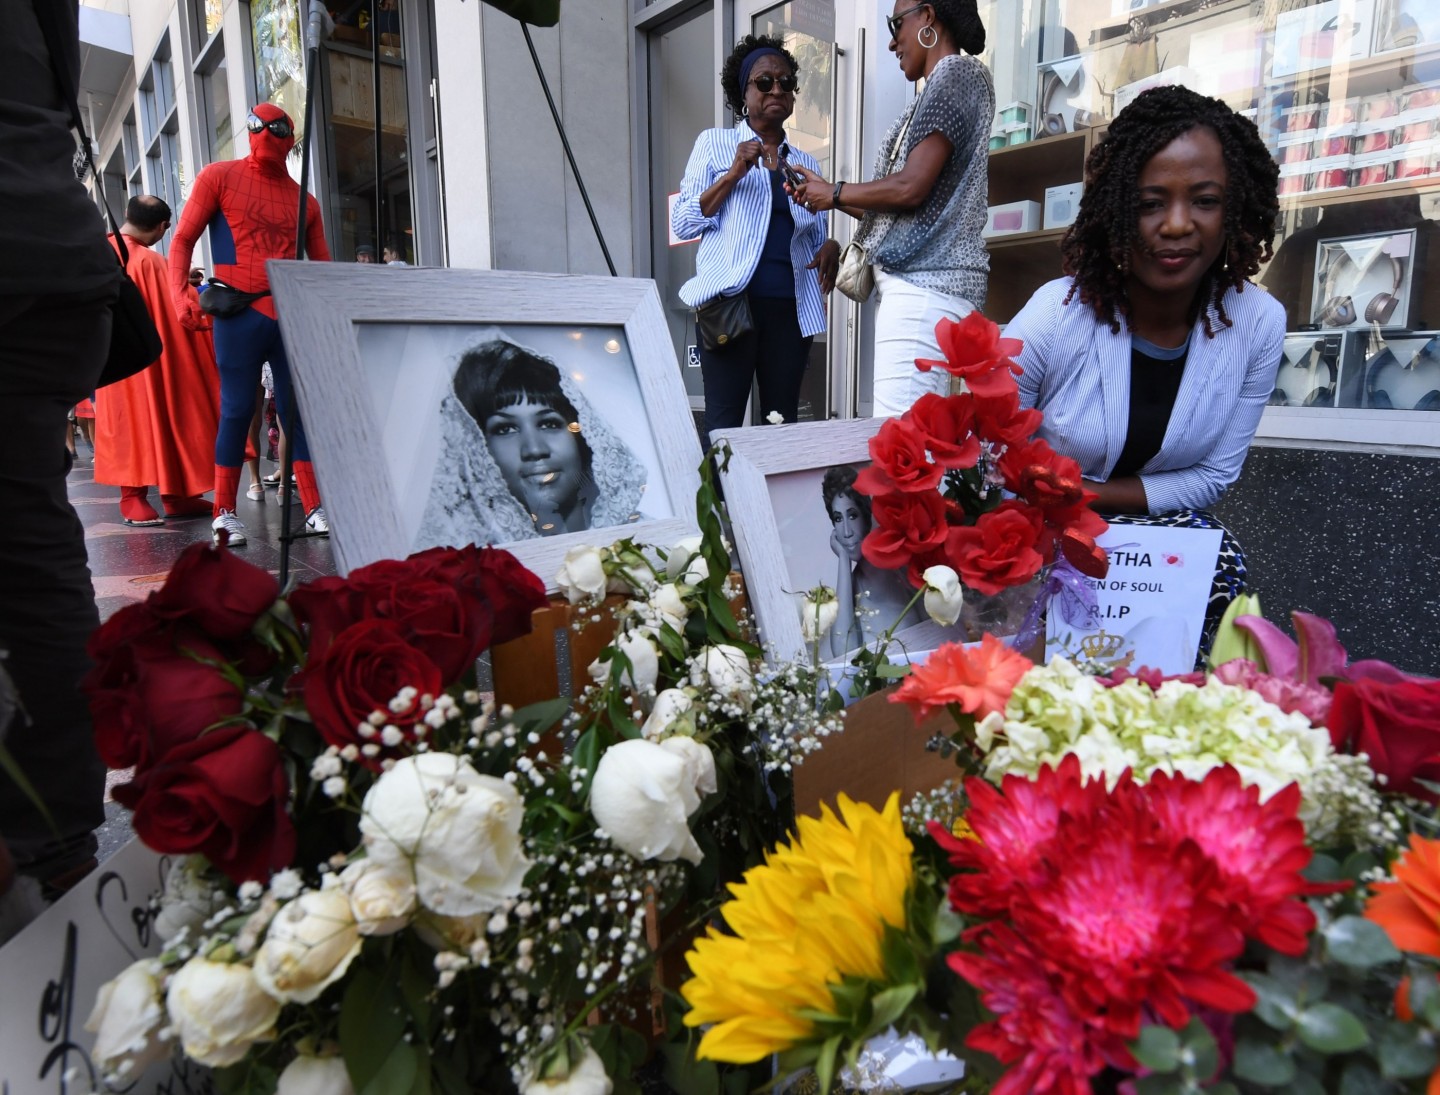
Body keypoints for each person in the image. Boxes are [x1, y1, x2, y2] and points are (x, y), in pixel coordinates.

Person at [1003, 84, 1285, 657]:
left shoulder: (1257, 324)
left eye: (1204, 201)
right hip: (1035, 524)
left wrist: (1088, 494)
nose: (1177, 224)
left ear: (1235, 208)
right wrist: (1054, 510)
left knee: (1219, 555)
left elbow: (1214, 476)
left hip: (1152, 530)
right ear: (1116, 210)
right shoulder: (1055, 315)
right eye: (1150, 203)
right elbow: (987, 450)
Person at [1, 0, 119, 939]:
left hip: (27, 262)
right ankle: (62, 840)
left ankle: (42, 846)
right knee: (35, 545)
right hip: (55, 257)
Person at [789, 0, 994, 418]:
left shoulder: (953, 75)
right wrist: (828, 194)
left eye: (895, 24)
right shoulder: (947, 84)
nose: (891, 42)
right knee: (924, 442)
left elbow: (910, 188)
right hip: (931, 293)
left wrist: (836, 192)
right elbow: (904, 212)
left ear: (928, 17)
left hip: (924, 295)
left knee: (901, 442)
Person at [167, 102, 332, 547]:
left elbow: (324, 271)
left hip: (288, 317)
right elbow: (182, 238)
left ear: (290, 136)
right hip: (239, 314)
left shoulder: (306, 202)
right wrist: (179, 294)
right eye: (258, 124)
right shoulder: (218, 177)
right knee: (238, 410)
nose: (265, 131)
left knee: (297, 412)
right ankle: (224, 511)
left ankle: (313, 505)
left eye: (276, 127)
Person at [671, 35, 839, 439]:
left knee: (781, 427)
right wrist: (732, 175)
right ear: (744, 94)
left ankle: (773, 486)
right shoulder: (714, 144)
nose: (777, 90)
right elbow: (683, 223)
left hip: (790, 313)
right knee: (724, 428)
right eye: (764, 82)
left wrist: (831, 245)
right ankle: (721, 487)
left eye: (786, 82)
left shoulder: (805, 162)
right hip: (731, 308)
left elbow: (815, 235)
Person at [417, 335, 648, 549]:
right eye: (505, 429)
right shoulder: (459, 566)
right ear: (478, 452)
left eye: (549, 424)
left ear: (582, 437)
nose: (534, 449)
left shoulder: (648, 540)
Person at [94, 194, 222, 526]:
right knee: (165, 415)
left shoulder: (98, 252)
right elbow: (185, 310)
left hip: (111, 358)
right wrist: (189, 288)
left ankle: (146, 497)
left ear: (127, 214)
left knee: (129, 420)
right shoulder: (152, 262)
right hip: (150, 358)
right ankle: (160, 495)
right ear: (164, 226)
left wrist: (179, 280)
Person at [822, 465, 922, 657]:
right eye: (838, 519)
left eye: (852, 515)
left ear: (866, 515)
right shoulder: (853, 583)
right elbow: (843, 651)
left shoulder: (896, 564)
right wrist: (843, 559)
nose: (847, 532)